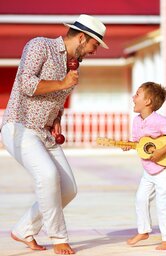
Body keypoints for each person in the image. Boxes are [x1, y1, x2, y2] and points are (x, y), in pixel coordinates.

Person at [0, 14, 108, 255]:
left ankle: (23, 230)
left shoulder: (73, 67)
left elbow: (56, 103)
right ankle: (58, 237)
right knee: (48, 176)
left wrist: (57, 119)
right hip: (19, 126)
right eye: (94, 44)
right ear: (82, 37)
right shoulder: (40, 46)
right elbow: (27, 84)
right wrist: (63, 83)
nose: (94, 50)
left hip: (45, 134)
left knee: (69, 189)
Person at [123, 82, 166, 250]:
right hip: (149, 170)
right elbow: (138, 142)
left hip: (164, 169)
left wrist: (161, 152)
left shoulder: (159, 121)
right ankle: (143, 230)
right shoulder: (136, 121)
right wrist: (128, 144)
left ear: (148, 101)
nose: (133, 98)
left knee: (164, 204)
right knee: (140, 199)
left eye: (137, 95)